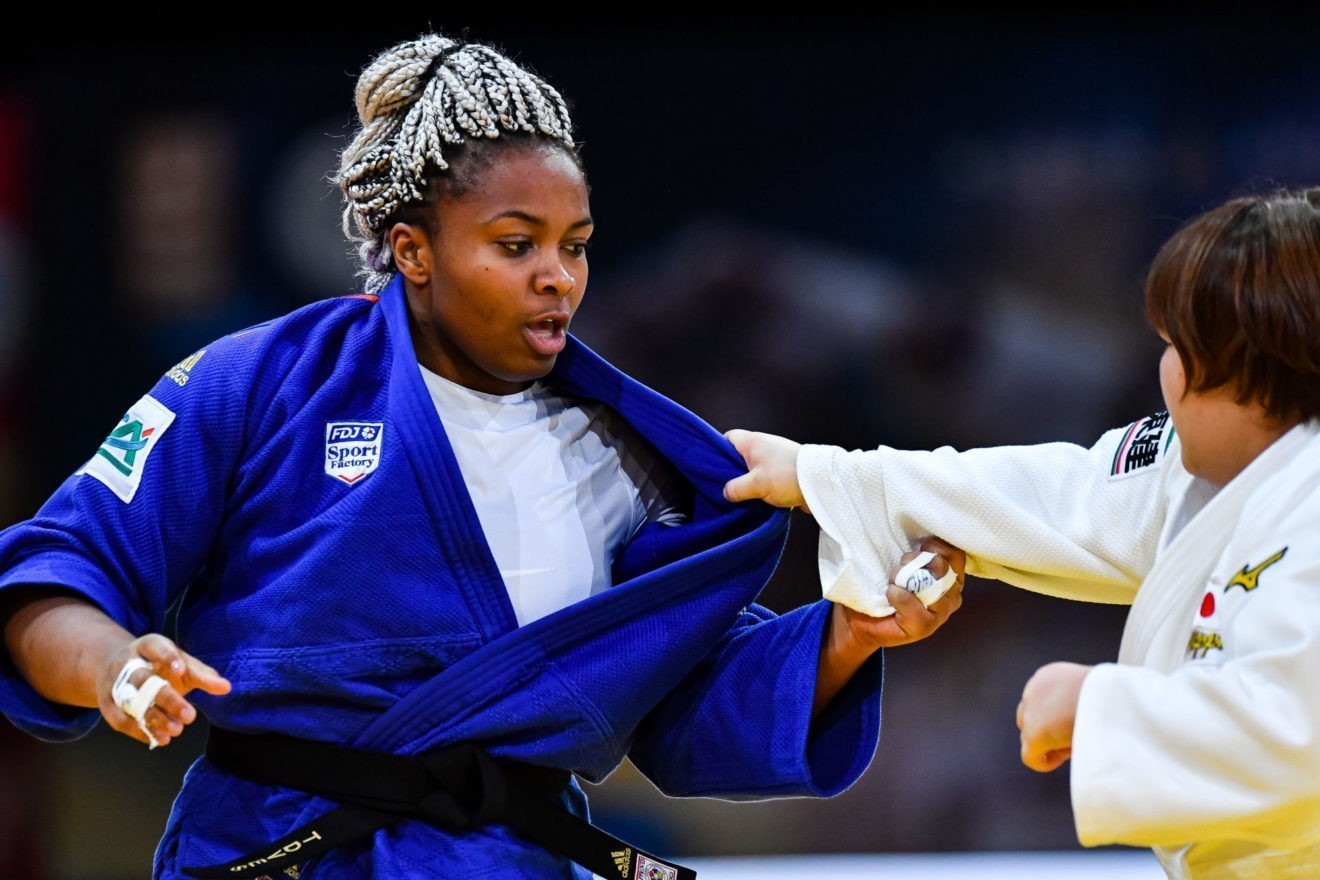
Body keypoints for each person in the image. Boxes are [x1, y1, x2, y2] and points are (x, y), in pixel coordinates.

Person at [0, 32, 965, 880]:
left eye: (575, 245)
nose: (558, 275)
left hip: (511, 860)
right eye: (516, 244)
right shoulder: (254, 382)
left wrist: (853, 636)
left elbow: (679, 698)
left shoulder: (622, 451)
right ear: (413, 251)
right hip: (274, 849)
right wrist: (116, 668)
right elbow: (54, 579)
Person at [724, 186, 1320, 879]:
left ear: (1252, 369)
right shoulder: (1217, 469)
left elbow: (1298, 732)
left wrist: (1096, 707)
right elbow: (1058, 495)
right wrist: (820, 474)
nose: (1164, 373)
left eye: (1177, 345)